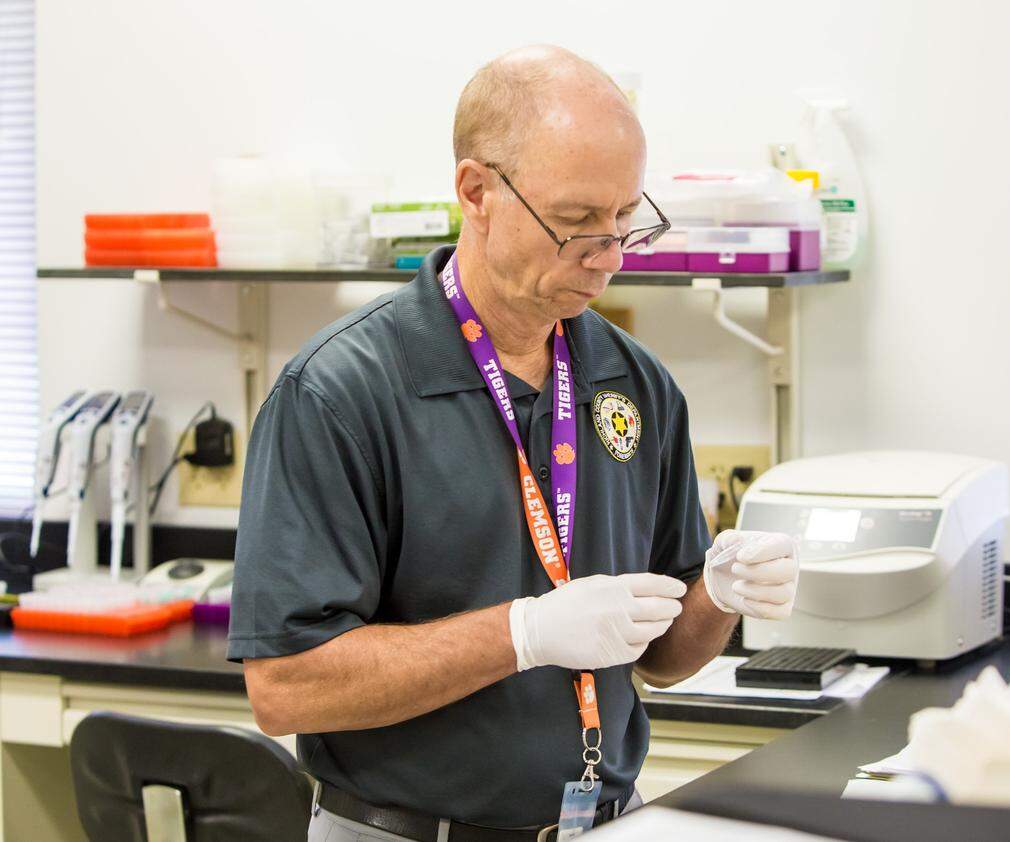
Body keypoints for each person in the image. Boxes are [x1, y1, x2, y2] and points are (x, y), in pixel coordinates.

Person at [227, 44, 799, 842]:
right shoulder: (339, 391)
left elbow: (661, 659)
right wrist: (523, 634)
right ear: (477, 191)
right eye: (573, 225)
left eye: (625, 222)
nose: (606, 261)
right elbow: (285, 685)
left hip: (601, 822)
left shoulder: (632, 384)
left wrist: (718, 596)